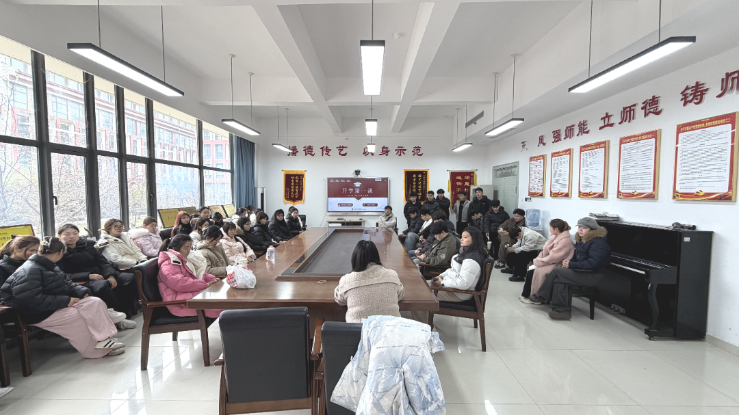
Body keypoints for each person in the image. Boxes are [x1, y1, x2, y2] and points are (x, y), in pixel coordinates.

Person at [0, 237, 124, 358]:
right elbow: (30, 300)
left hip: (51, 306)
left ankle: (104, 338)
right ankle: (95, 350)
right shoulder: (29, 270)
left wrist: (82, 292)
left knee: (94, 302)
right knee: (79, 316)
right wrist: (66, 300)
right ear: (61, 253)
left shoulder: (48, 265)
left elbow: (67, 282)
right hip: (37, 313)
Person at [57, 224, 136, 330]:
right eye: (67, 234)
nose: (72, 236)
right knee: (103, 285)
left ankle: (123, 312)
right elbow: (62, 274)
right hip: (81, 280)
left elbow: (103, 262)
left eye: (75, 233)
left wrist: (110, 275)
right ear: (59, 236)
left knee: (128, 278)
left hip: (101, 275)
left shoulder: (87, 245)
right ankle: (114, 319)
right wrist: (88, 276)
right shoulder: (58, 252)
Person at [535, 217, 611, 321]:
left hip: (592, 275)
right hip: (582, 271)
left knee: (557, 271)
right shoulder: (583, 240)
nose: (580, 230)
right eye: (579, 227)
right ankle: (561, 311)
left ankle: (542, 295)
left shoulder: (598, 243)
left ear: (592, 230)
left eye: (584, 228)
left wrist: (572, 264)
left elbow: (593, 264)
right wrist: (569, 263)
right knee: (559, 280)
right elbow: (578, 258)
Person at [413, 227, 488, 323]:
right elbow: (453, 269)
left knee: (417, 297)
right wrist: (441, 276)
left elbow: (463, 284)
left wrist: (443, 282)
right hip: (451, 285)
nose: (461, 239)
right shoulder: (466, 252)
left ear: (474, 239)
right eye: (462, 237)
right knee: (418, 287)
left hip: (458, 293)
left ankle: (426, 328)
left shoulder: (471, 260)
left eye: (465, 237)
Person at [334, 241, 405, 323]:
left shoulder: (347, 280)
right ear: (377, 256)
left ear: (355, 258)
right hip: (390, 329)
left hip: (359, 330)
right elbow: (400, 294)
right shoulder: (392, 275)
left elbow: (340, 300)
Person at [158, 234, 222, 319]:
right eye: (186, 248)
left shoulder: (182, 259)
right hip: (180, 303)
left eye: (190, 247)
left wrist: (212, 279)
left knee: (222, 300)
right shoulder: (169, 264)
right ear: (175, 248)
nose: (188, 251)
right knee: (222, 306)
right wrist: (205, 285)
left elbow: (196, 275)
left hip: (188, 296)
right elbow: (180, 283)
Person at [521, 219, 575, 305]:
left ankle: (536, 295)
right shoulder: (554, 238)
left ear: (556, 229)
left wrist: (539, 262)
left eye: (550, 228)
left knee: (535, 271)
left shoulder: (565, 241)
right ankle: (527, 295)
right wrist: (539, 259)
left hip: (557, 265)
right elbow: (544, 252)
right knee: (531, 270)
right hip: (549, 262)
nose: (549, 229)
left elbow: (554, 258)